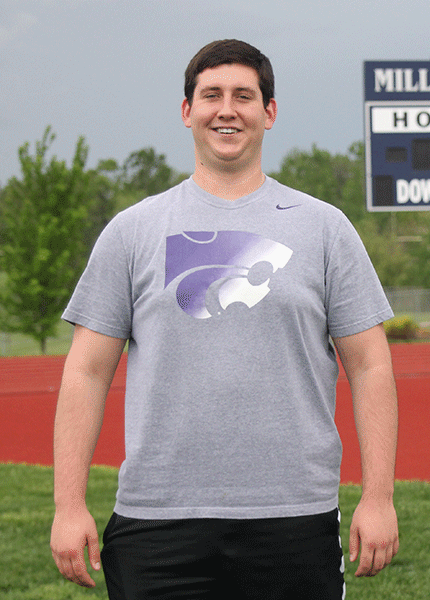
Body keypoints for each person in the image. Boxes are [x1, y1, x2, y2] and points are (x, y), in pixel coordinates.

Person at [50, 39, 399, 599]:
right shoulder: (132, 231)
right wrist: (69, 506)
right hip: (156, 521)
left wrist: (378, 497)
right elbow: (86, 373)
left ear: (269, 112)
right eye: (211, 95)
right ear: (187, 111)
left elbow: (371, 366)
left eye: (244, 95)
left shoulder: (324, 228)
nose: (227, 109)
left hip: (294, 517)